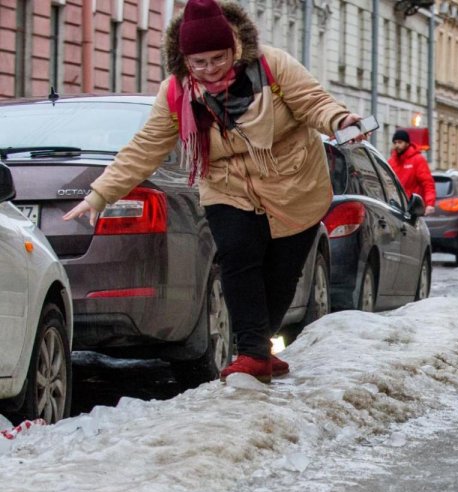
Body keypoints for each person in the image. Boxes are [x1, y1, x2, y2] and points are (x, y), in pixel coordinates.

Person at [62, 0, 366, 384]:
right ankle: (253, 354)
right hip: (227, 186)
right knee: (238, 257)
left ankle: (259, 349)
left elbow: (314, 102)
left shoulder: (272, 66)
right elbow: (146, 147)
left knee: (282, 273)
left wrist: (341, 120)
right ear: (184, 59)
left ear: (234, 48)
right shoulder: (176, 93)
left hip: (293, 182)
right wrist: (99, 194)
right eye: (199, 62)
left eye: (217, 58)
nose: (209, 70)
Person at [387, 128, 435, 209]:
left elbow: (427, 183)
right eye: (395, 143)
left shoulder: (418, 160)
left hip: (412, 206)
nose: (397, 145)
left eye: (400, 142)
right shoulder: (391, 162)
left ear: (407, 143)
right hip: (395, 206)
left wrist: (430, 204)